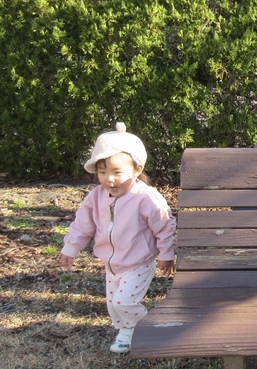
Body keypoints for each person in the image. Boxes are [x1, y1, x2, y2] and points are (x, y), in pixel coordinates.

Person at [59, 123, 176, 353]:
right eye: (102, 172)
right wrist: (71, 248)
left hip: (138, 262)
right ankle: (127, 332)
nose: (109, 179)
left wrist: (166, 254)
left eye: (116, 173)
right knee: (114, 305)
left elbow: (164, 226)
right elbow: (83, 223)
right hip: (112, 263)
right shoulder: (97, 196)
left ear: (136, 169)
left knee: (125, 302)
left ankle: (146, 325)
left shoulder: (146, 198)